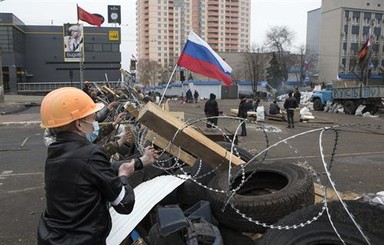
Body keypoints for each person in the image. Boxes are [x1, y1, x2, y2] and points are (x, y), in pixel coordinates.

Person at [37, 87, 158, 244]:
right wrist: (123, 177)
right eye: (91, 117)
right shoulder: (89, 154)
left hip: (54, 237)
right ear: (79, 124)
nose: (95, 120)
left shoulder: (57, 151)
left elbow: (98, 170)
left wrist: (140, 161)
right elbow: (124, 203)